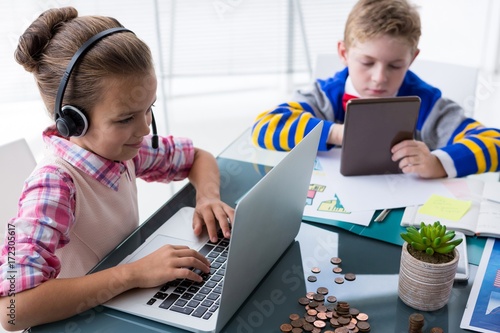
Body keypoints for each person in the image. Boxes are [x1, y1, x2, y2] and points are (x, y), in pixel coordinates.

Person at [0, 7, 234, 331]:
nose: (143, 128)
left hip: (120, 308)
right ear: (73, 121)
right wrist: (134, 273)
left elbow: (198, 156)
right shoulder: (53, 185)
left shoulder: (123, 151)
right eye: (125, 118)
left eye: (148, 108)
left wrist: (208, 197)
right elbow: (12, 308)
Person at [251, 0, 500, 179]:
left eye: (395, 65)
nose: (379, 78)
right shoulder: (325, 97)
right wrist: (338, 133)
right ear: (344, 53)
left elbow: (495, 142)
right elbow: (265, 127)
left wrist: (437, 162)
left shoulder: (429, 105)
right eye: (367, 63)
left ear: (412, 59)